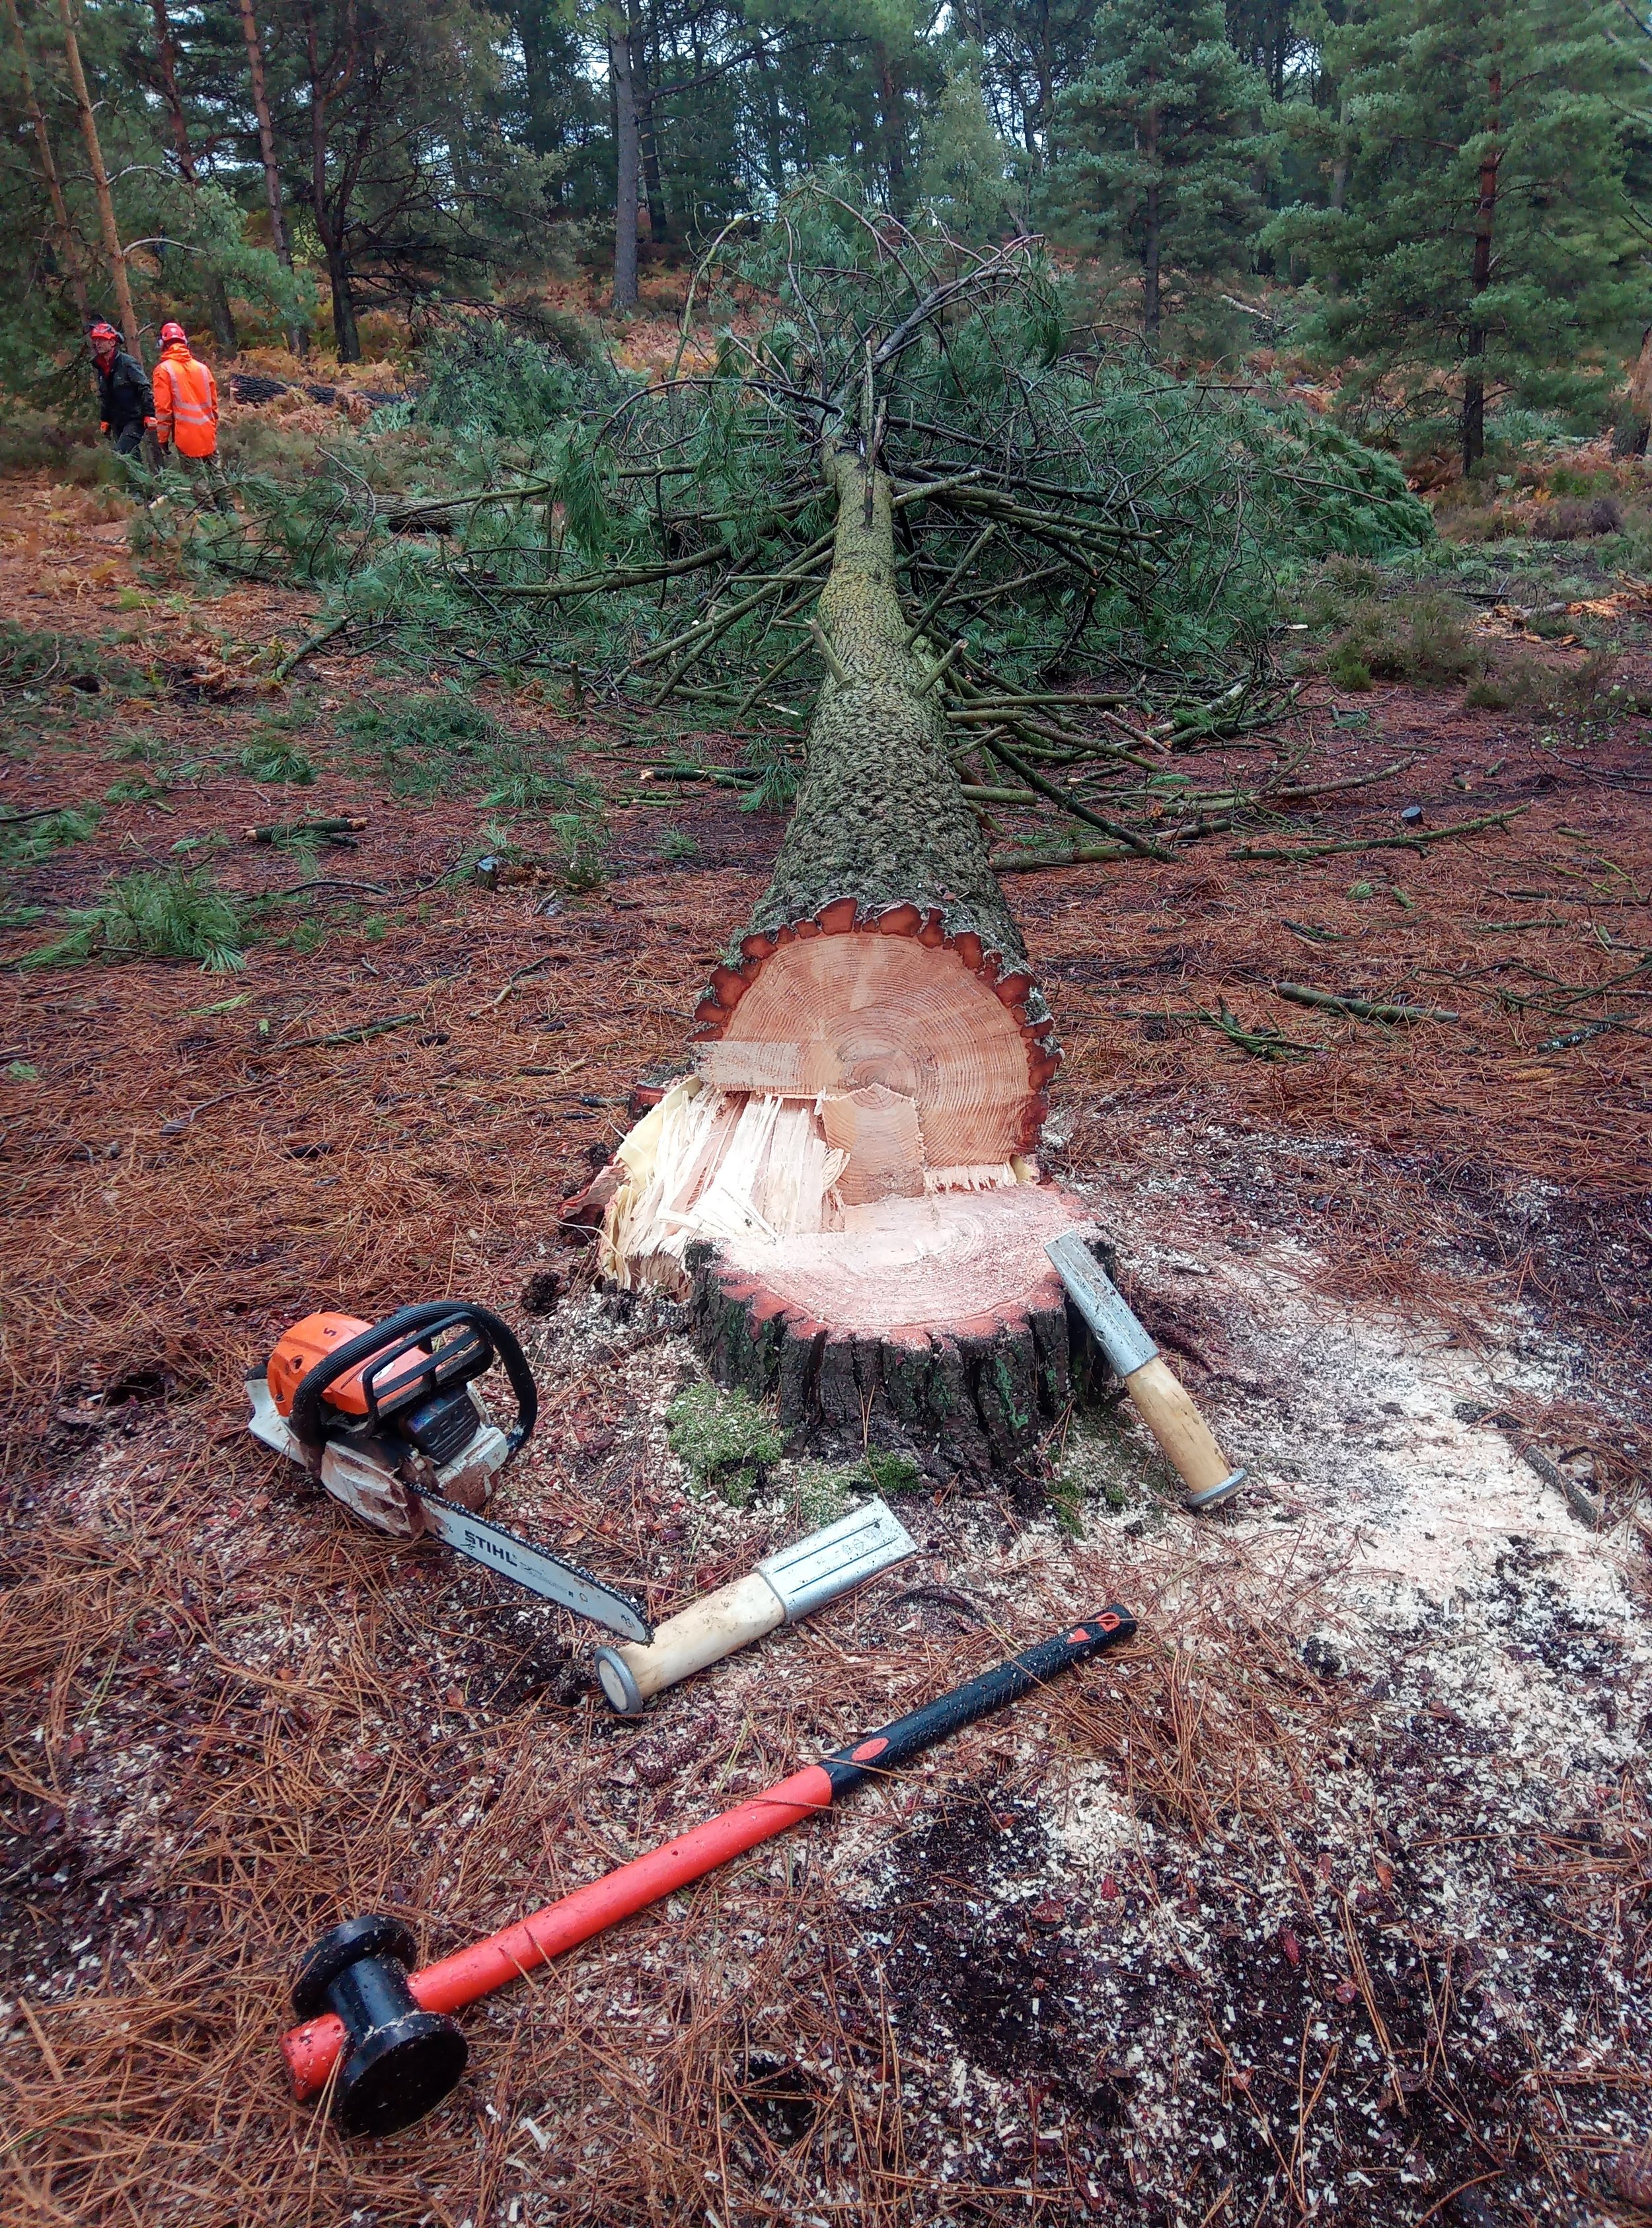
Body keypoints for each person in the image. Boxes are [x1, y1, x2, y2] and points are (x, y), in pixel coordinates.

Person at [151, 318, 231, 510]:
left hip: (186, 436)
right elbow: (214, 406)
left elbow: (163, 410)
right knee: (216, 474)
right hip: (207, 432)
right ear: (184, 342)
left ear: (163, 345)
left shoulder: (164, 370)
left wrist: (163, 438)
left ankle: (211, 518)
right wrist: (213, 428)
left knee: (198, 479)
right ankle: (229, 512)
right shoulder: (203, 369)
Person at [89, 320, 153, 459]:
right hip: (118, 422)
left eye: (101, 340)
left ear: (112, 343)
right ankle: (140, 481)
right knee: (132, 462)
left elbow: (144, 387)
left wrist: (149, 414)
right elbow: (106, 397)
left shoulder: (127, 363)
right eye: (96, 340)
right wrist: (105, 420)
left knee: (121, 455)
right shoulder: (101, 366)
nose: (97, 344)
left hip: (135, 419)